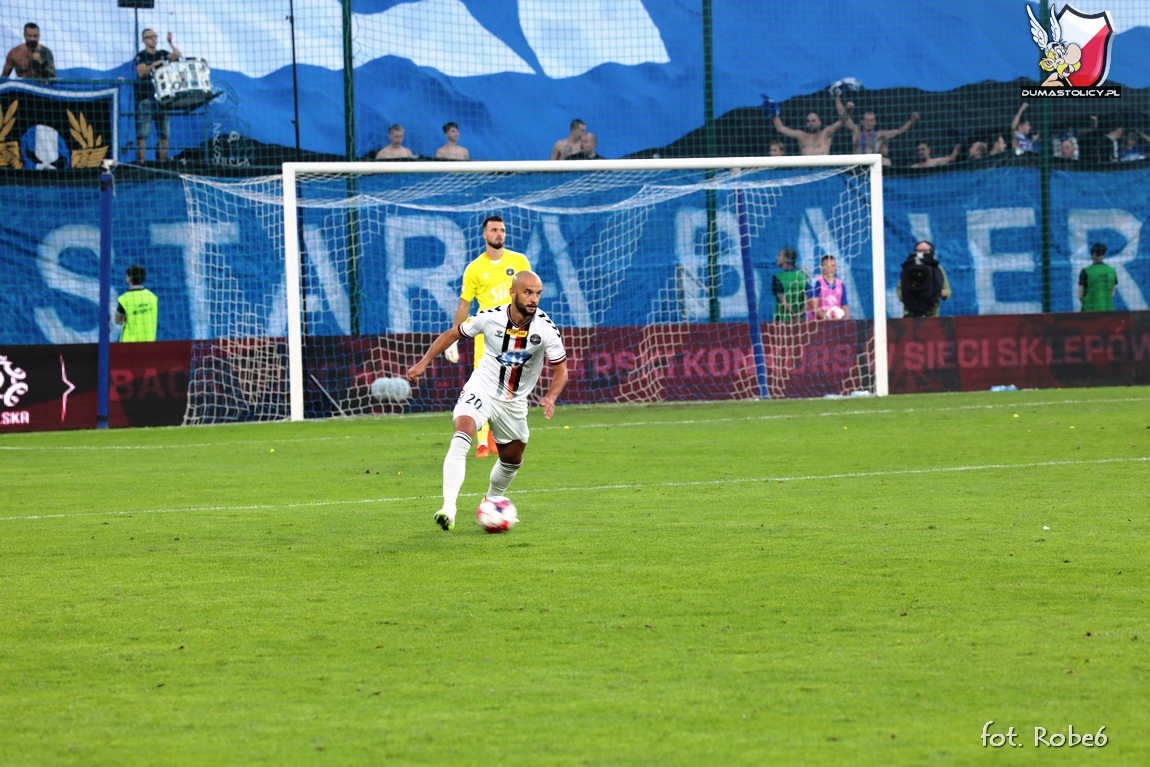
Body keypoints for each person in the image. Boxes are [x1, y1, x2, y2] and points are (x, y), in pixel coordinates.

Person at [407, 270, 568, 531]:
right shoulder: (490, 318)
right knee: (462, 433)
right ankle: (448, 508)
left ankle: (492, 500)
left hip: (514, 402)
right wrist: (423, 363)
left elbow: (562, 370)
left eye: (538, 293)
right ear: (513, 292)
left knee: (512, 459)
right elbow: (453, 334)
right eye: (528, 292)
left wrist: (551, 396)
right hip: (482, 387)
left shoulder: (545, 329)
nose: (534, 299)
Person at [446, 215, 532, 458]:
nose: (499, 234)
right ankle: (482, 442)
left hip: (516, 334)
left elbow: (530, 293)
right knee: (483, 384)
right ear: (484, 235)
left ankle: (500, 436)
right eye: (494, 230)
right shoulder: (474, 268)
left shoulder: (519, 261)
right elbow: (465, 304)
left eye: (502, 230)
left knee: (511, 387)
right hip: (487, 337)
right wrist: (454, 336)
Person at [134, 29, 181, 163]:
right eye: (149, 37)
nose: (153, 39)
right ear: (143, 40)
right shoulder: (141, 56)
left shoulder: (162, 54)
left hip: (162, 99)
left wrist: (170, 43)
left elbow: (178, 57)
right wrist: (155, 65)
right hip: (146, 98)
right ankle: (141, 163)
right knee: (143, 133)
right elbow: (141, 73)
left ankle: (162, 162)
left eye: (155, 36)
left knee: (164, 134)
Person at [834, 94, 918, 155]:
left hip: (872, 167)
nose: (869, 123)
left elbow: (899, 131)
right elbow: (844, 118)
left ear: (875, 122)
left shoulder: (879, 135)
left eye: (871, 120)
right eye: (867, 120)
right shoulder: (856, 132)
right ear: (862, 121)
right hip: (857, 166)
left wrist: (911, 120)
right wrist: (837, 98)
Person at [897, 241, 951, 318]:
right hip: (910, 312)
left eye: (925, 251)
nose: (922, 253)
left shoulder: (937, 269)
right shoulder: (908, 269)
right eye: (919, 251)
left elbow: (947, 291)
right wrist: (903, 297)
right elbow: (900, 287)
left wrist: (942, 293)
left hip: (931, 312)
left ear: (931, 252)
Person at [115, 265, 159, 342]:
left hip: (129, 344)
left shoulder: (124, 299)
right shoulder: (153, 297)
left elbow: (117, 321)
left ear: (128, 278)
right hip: (149, 342)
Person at [772, 111, 845, 156]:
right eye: (808, 121)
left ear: (819, 122)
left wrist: (848, 110)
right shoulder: (801, 135)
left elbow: (843, 120)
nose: (811, 123)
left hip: (823, 171)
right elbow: (780, 129)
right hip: (806, 172)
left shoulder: (826, 133)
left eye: (813, 120)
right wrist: (774, 113)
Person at [771, 247, 809, 321]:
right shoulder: (802, 277)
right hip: (801, 321)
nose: (777, 257)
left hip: (782, 321)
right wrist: (799, 315)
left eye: (779, 255)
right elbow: (807, 301)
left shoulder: (777, 278)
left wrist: (793, 315)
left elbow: (783, 301)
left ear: (786, 258)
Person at [807, 255, 850, 320]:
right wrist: (828, 320)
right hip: (818, 323)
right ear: (821, 267)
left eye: (833, 266)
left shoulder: (840, 284)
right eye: (827, 266)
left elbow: (845, 305)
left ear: (836, 267)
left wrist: (846, 320)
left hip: (836, 322)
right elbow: (814, 306)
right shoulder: (816, 282)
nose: (830, 269)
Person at [1078, 242, 1118, 312]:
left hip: (1089, 311)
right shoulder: (1112, 271)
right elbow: (1112, 293)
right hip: (1108, 310)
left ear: (1091, 255)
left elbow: (1080, 295)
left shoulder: (1086, 271)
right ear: (1104, 255)